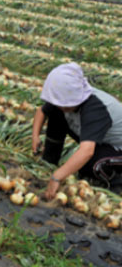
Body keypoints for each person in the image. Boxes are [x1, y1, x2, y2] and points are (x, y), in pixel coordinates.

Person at [32, 62, 122, 199]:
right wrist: (35, 136)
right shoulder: (67, 99)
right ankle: (49, 161)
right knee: (56, 115)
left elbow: (87, 151)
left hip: (119, 148)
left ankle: (117, 182)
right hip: (104, 142)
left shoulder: (95, 109)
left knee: (93, 165)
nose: (56, 104)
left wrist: (57, 177)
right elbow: (42, 111)